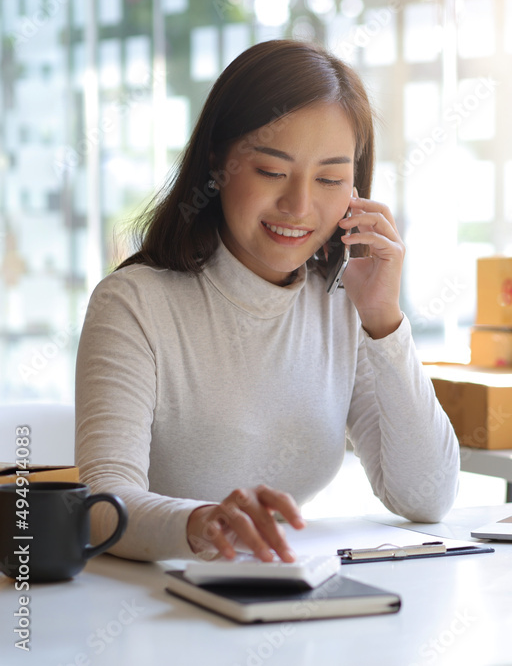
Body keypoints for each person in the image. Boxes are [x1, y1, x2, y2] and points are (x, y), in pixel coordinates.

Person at [75, 40, 460, 563]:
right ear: (218, 163)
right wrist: (200, 523)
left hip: (286, 599)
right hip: (158, 607)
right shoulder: (134, 304)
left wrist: (383, 322)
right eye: (272, 172)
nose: (299, 206)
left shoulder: (340, 303)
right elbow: (103, 506)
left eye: (329, 179)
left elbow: (426, 497)